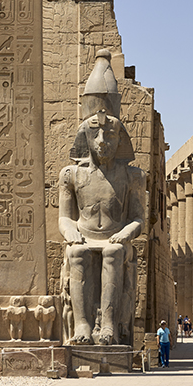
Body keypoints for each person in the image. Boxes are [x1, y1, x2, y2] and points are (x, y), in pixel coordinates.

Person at [59, 108, 145, 345]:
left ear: (120, 140)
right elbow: (64, 218)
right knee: (76, 252)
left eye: (110, 135)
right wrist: (71, 232)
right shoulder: (70, 174)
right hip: (84, 235)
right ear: (84, 139)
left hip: (115, 236)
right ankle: (82, 325)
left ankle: (108, 325)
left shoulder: (132, 176)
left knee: (113, 252)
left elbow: (139, 218)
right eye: (95, 135)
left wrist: (126, 232)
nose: (102, 142)